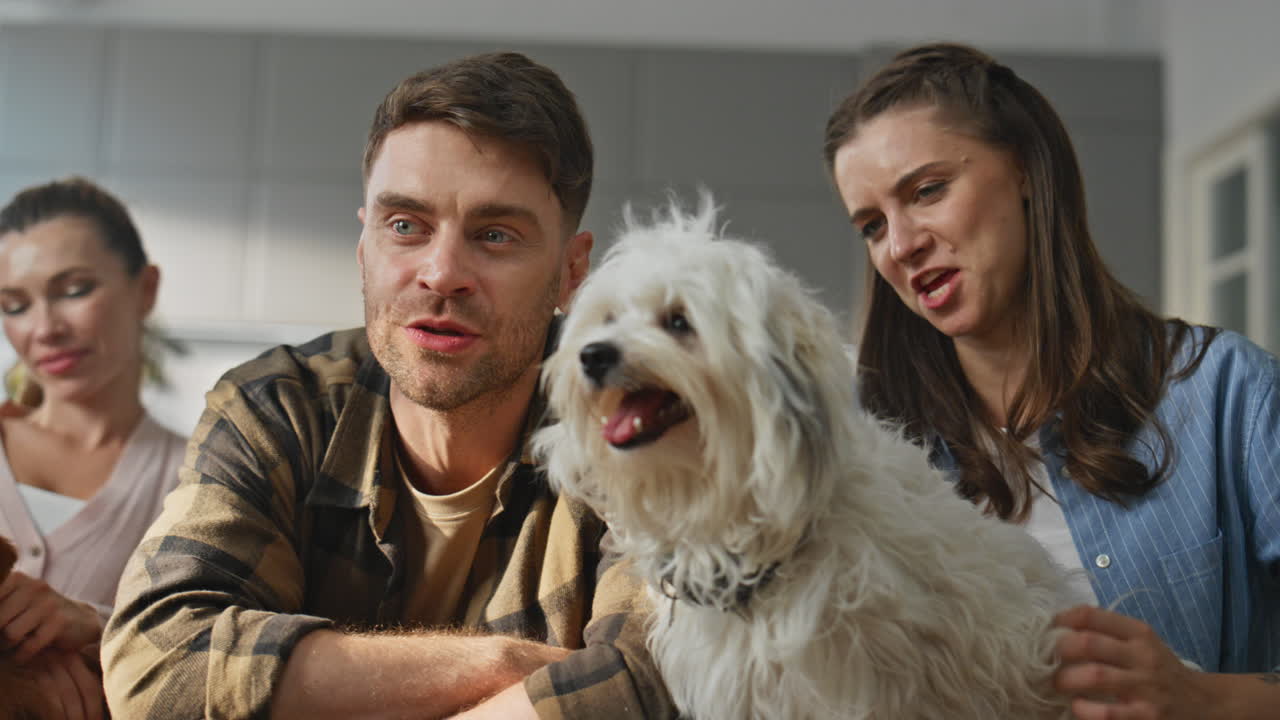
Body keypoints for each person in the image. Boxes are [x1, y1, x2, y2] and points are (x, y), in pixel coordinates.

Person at [102, 51, 677, 720]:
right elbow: (158, 665)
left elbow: (657, 682)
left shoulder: (636, 428)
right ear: (364, 248)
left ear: (571, 272)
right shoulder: (278, 407)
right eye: (405, 226)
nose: (442, 273)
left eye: (495, 235)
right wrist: (505, 665)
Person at [823, 42, 1280, 719]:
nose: (900, 245)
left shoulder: (1225, 395)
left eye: (927, 191)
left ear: (1025, 170)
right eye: (871, 225)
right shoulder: (865, 450)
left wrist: (1201, 697)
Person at [0, 177, 187, 720]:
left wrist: (101, 626)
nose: (45, 329)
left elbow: (225, 654)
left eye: (75, 290)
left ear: (145, 289)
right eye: (15, 305)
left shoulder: (204, 477)